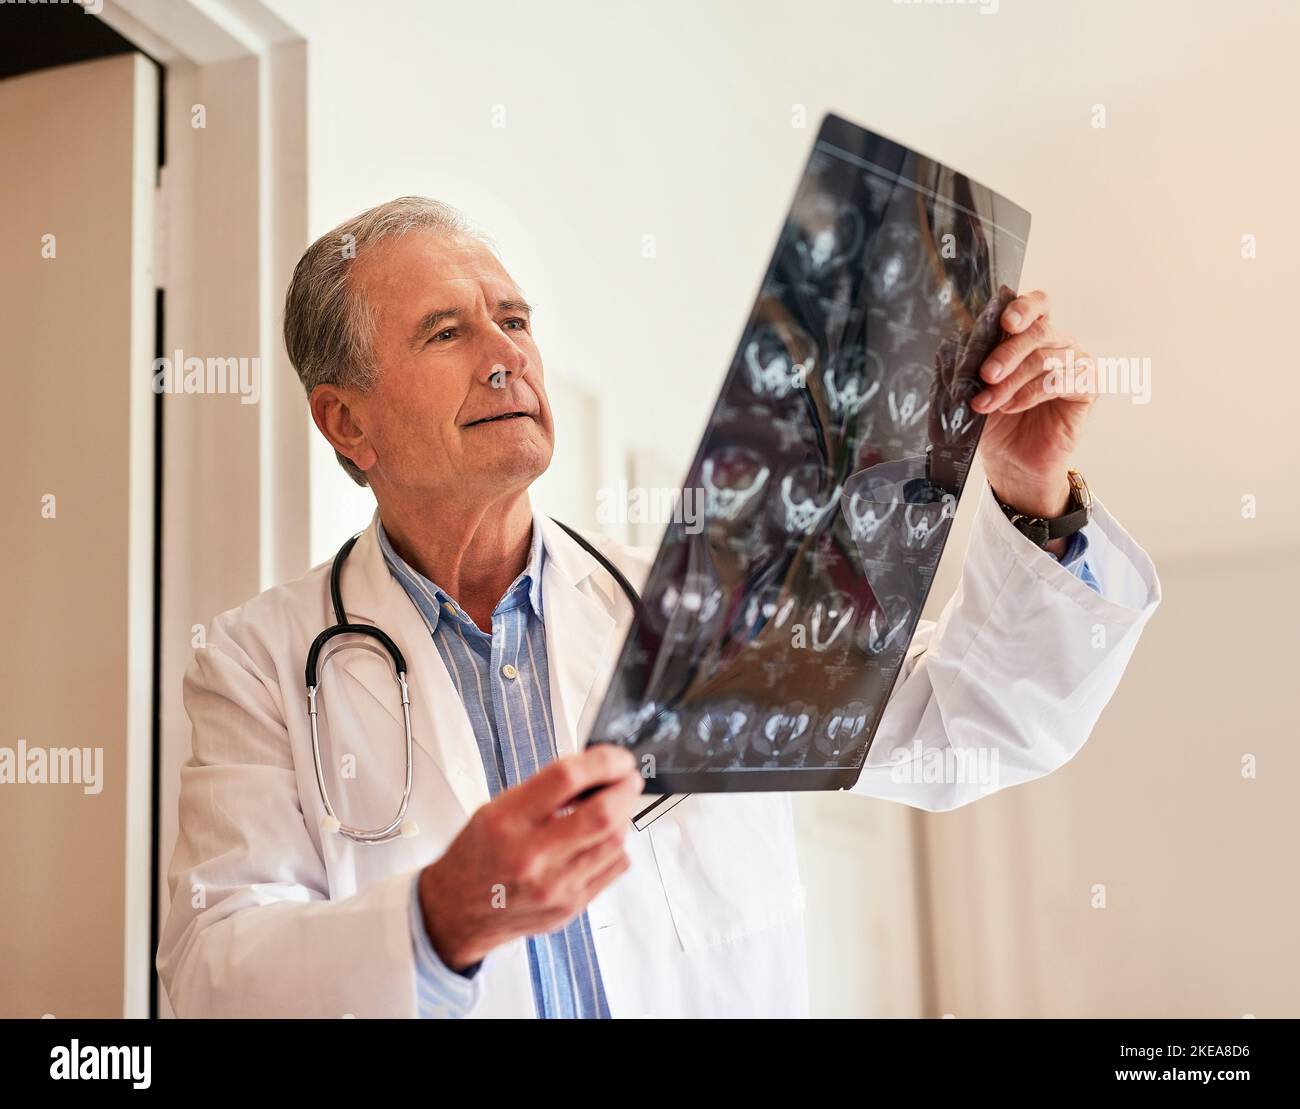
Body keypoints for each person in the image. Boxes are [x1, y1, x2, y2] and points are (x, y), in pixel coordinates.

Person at [156, 197, 1160, 1018]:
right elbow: (211, 970)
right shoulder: (260, 662)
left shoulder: (704, 604)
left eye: (512, 318)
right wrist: (435, 916)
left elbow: (972, 724)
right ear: (346, 419)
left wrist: (1034, 492)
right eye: (446, 331)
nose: (503, 354)